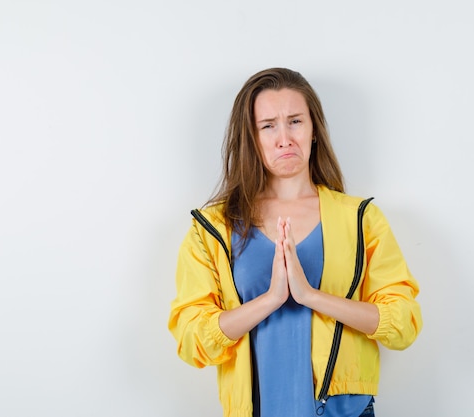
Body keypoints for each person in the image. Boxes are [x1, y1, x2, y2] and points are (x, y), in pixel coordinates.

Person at [168, 68, 423, 417]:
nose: (284, 138)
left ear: (314, 129)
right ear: (251, 138)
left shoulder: (361, 220)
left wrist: (310, 296)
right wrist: (272, 299)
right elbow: (192, 338)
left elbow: (403, 323)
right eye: (268, 125)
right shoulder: (212, 228)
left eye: (295, 121)